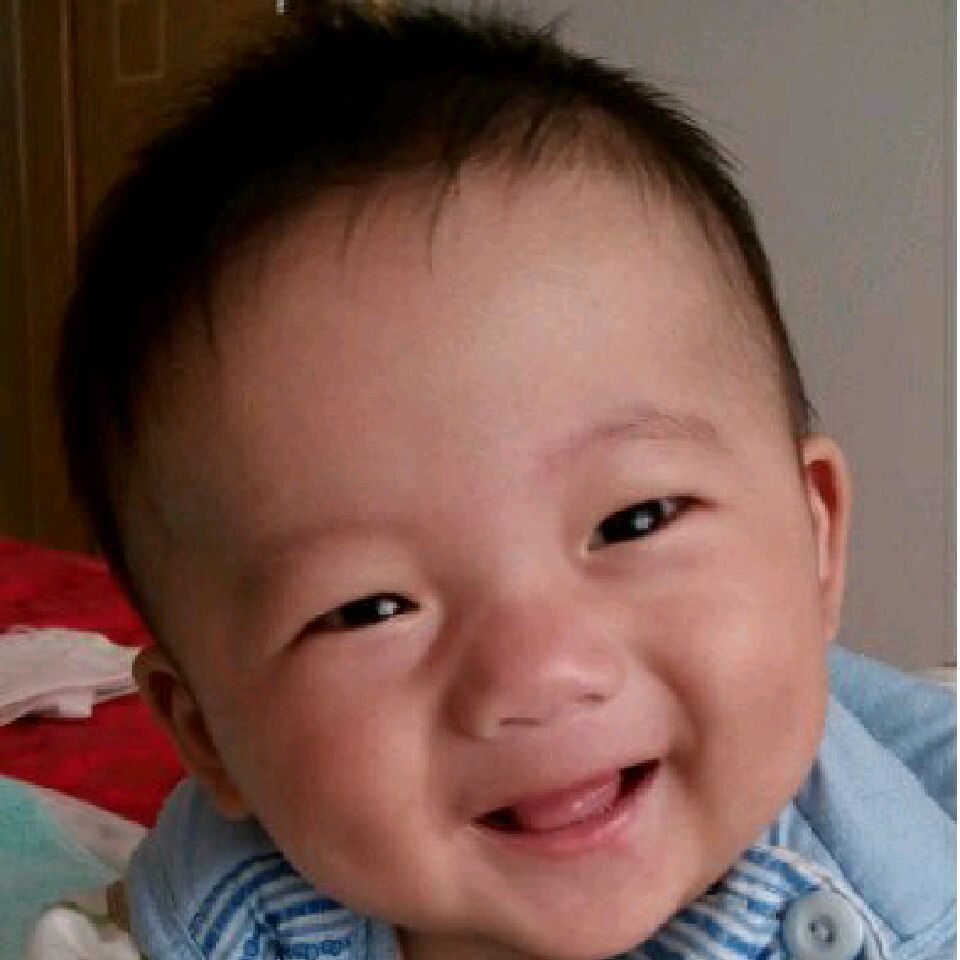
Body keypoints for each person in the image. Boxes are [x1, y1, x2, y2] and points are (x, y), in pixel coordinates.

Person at [56, 4, 955, 959]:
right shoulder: (226, 909)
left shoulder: (902, 909)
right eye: (367, 609)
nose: (540, 674)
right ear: (206, 734)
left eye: (635, 519)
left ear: (814, 537)